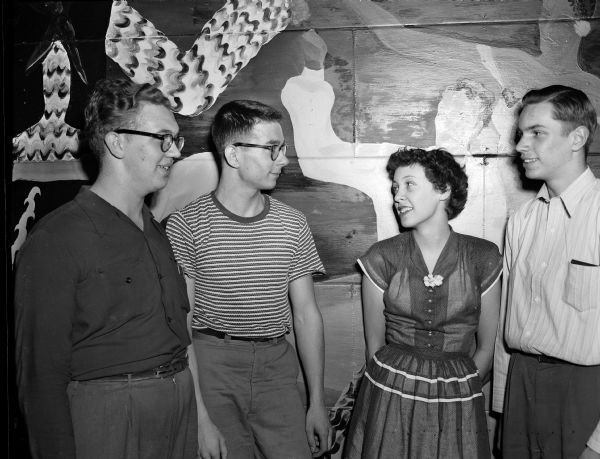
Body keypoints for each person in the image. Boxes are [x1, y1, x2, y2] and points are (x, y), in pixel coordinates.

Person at [14, 78, 223, 459]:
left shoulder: (158, 232)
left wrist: (200, 419)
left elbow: (181, 336)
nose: (173, 152)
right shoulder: (56, 239)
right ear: (117, 141)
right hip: (108, 416)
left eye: (175, 140)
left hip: (176, 411)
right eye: (162, 138)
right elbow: (39, 379)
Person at [166, 99, 332, 459]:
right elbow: (183, 323)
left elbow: (306, 315)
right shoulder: (186, 225)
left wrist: (316, 402)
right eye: (272, 149)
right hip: (213, 367)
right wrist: (200, 418)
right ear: (233, 154)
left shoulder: (293, 223)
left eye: (283, 148)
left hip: (276, 365)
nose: (284, 160)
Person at [343, 147, 502, 459]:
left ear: (443, 189)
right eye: (395, 188)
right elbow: (374, 346)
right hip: (390, 395)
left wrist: (463, 388)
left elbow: (487, 346)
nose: (398, 197)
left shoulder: (482, 257)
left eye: (409, 185)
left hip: (459, 396)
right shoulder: (381, 256)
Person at [493, 85, 600, 459]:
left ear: (578, 137)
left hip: (585, 395)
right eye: (521, 134)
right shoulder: (520, 221)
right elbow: (510, 320)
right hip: (521, 387)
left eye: (537, 133)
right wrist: (506, 414)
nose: (521, 145)